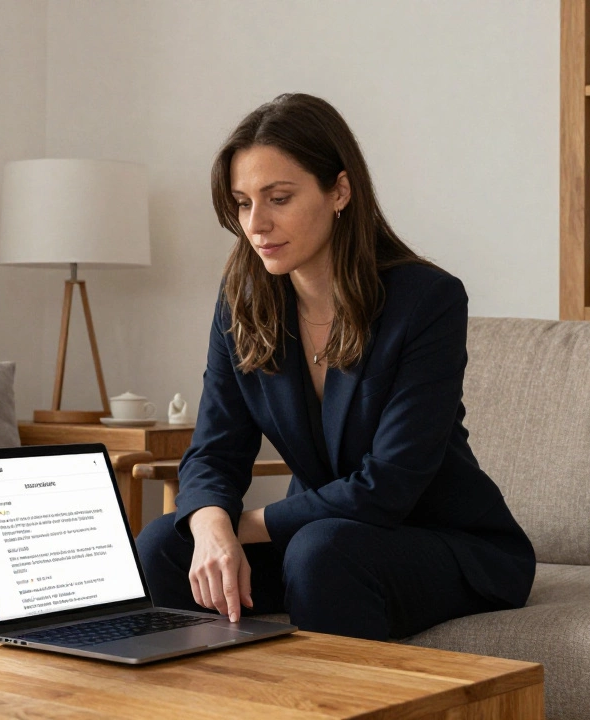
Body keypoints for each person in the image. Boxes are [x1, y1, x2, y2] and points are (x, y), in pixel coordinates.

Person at [135, 93, 535, 641]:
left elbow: (388, 485)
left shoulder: (427, 301)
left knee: (321, 551)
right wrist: (208, 523)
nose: (257, 224)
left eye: (279, 198)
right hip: (322, 536)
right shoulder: (243, 303)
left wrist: (239, 526)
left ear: (339, 191)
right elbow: (214, 449)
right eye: (243, 203)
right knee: (163, 546)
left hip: (439, 540)